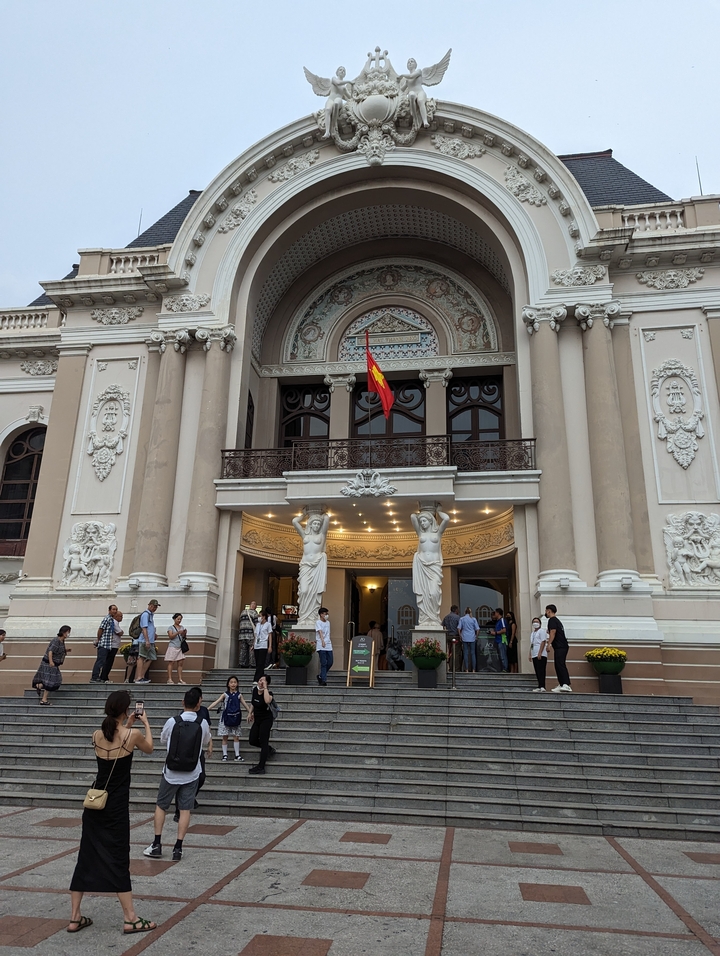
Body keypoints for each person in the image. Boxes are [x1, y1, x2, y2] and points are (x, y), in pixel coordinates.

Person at [68, 690, 155, 935]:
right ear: (127, 710)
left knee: (85, 858)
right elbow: (148, 747)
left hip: (95, 805)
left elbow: (114, 736)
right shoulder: (133, 734)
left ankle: (75, 917)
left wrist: (126, 723)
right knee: (118, 859)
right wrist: (145, 722)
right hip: (116, 808)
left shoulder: (96, 735)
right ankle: (131, 918)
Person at [143, 686, 211, 861]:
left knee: (161, 805)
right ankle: (178, 848)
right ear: (199, 704)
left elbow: (163, 739)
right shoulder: (202, 723)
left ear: (183, 703)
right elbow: (205, 741)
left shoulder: (172, 721)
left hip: (171, 772)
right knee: (185, 809)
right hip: (192, 773)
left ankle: (157, 844)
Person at [411, 508, 450, 627]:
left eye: (424, 521)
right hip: (422, 565)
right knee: (423, 593)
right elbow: (412, 516)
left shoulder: (438, 533)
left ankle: (434, 618)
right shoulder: (420, 533)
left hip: (434, 566)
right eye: (421, 521)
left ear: (430, 521)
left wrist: (438, 511)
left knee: (433, 593)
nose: (422, 523)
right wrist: (420, 513)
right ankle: (425, 619)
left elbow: (447, 519)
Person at [292, 512, 330, 627]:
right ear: (310, 524)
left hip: (317, 565)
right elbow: (294, 521)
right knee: (304, 591)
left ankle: (311, 618)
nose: (317, 525)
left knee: (313, 593)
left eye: (319, 524)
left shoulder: (321, 535)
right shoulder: (305, 535)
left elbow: (327, 519)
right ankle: (303, 617)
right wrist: (304, 514)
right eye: (315, 523)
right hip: (305, 566)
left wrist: (323, 515)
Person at [207, 676, 250, 761]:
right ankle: (225, 755)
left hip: (235, 717)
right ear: (228, 684)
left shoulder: (239, 695)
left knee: (236, 737)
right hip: (226, 717)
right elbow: (216, 702)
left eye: (235, 682)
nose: (233, 684)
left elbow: (245, 704)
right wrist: (207, 709)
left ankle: (237, 755)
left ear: (237, 684)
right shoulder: (225, 694)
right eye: (231, 682)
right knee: (225, 737)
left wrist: (250, 712)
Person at [32, 626, 71, 705]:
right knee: (51, 681)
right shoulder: (56, 640)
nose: (68, 634)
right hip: (49, 664)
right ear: (63, 632)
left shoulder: (61, 641)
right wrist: (51, 661)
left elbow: (57, 650)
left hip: (54, 664)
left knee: (56, 679)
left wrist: (66, 650)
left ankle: (39, 686)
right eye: (68, 632)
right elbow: (50, 651)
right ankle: (44, 699)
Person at [247, 674, 276, 775]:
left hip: (266, 720)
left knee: (264, 741)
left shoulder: (269, 693)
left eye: (263, 681)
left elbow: (267, 700)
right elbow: (253, 703)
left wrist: (265, 688)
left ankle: (261, 766)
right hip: (257, 719)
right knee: (252, 740)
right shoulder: (255, 690)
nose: (260, 682)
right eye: (260, 680)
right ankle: (268, 749)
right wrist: (250, 713)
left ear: (267, 683)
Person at [546, 604, 572, 693]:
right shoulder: (556, 621)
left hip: (561, 646)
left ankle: (566, 684)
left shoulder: (552, 620)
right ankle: (562, 684)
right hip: (560, 646)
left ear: (549, 611)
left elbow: (553, 632)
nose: (546, 613)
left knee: (560, 664)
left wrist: (548, 644)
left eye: (546, 611)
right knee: (557, 664)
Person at [91, 604, 118, 683]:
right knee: (100, 661)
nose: (115, 611)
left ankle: (99, 677)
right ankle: (94, 677)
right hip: (104, 644)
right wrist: (99, 640)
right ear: (109, 610)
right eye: (113, 609)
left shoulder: (112, 620)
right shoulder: (107, 619)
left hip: (108, 644)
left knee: (103, 661)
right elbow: (100, 629)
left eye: (116, 609)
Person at [135, 599, 160, 684]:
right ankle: (139, 677)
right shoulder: (145, 615)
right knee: (141, 657)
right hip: (144, 640)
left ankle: (142, 675)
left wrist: (153, 634)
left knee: (151, 657)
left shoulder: (150, 615)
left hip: (150, 640)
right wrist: (147, 640)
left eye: (156, 607)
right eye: (153, 606)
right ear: (149, 605)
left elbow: (149, 628)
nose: (154, 608)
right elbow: (144, 628)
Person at [99, 609, 124, 683]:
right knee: (108, 662)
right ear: (116, 616)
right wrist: (122, 632)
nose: (122, 618)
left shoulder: (115, 622)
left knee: (108, 661)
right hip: (113, 645)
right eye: (120, 616)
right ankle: (104, 677)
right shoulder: (114, 622)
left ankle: (104, 676)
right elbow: (119, 632)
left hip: (113, 644)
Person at [165, 612, 187, 685]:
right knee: (171, 662)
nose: (179, 620)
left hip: (180, 646)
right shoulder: (171, 627)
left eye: (180, 619)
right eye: (178, 619)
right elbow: (170, 636)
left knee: (180, 663)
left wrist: (184, 633)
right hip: (173, 646)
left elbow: (184, 637)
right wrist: (178, 633)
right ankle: (169, 678)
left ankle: (180, 679)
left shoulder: (182, 627)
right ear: (174, 619)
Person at [529, 617, 548, 692]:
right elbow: (531, 644)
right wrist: (530, 654)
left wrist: (540, 652)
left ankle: (543, 686)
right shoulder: (533, 633)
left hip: (541, 654)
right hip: (534, 653)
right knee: (537, 670)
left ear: (540, 623)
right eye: (534, 622)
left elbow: (543, 641)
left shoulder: (542, 631)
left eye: (537, 621)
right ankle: (539, 685)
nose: (535, 623)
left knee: (541, 670)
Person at [253, 611, 273, 681]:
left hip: (263, 645)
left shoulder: (268, 624)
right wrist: (253, 644)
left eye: (260, 616)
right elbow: (256, 635)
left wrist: (270, 646)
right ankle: (261, 677)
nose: (259, 618)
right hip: (257, 645)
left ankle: (256, 678)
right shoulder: (258, 625)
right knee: (257, 662)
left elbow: (270, 635)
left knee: (261, 662)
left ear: (264, 617)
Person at [458, 607, 479, 673]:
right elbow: (477, 629)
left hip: (464, 637)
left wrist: (460, 635)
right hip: (472, 637)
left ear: (465, 612)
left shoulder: (462, 619)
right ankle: (473, 669)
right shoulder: (473, 619)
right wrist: (476, 636)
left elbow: (459, 628)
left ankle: (466, 669)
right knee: (473, 653)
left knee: (465, 653)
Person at [238, 602, 258, 669]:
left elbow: (240, 621)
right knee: (251, 649)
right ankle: (252, 664)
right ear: (255, 606)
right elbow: (256, 624)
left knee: (243, 649)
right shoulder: (254, 613)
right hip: (250, 634)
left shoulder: (243, 612)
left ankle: (242, 663)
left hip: (242, 635)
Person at [315, 607, 332, 686]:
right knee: (324, 663)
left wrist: (326, 641)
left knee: (330, 662)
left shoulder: (328, 623)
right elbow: (320, 632)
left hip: (328, 644)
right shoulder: (318, 622)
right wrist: (322, 641)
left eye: (326, 613)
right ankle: (323, 680)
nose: (326, 615)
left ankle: (321, 675)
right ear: (321, 614)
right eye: (325, 614)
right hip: (321, 645)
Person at [442, 604, 461, 671]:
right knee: (456, 652)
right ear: (456, 610)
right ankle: (456, 668)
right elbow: (460, 627)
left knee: (450, 652)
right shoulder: (457, 617)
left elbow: (442, 625)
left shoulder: (446, 617)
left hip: (448, 636)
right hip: (455, 636)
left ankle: (450, 667)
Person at [492, 608, 509, 672]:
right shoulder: (498, 621)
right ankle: (502, 668)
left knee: (503, 655)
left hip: (502, 640)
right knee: (500, 655)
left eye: (495, 613)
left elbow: (504, 630)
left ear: (498, 613)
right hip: (498, 640)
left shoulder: (502, 620)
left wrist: (495, 633)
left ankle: (505, 668)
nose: (495, 614)